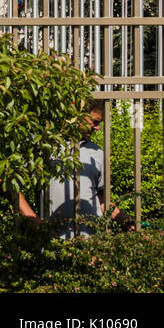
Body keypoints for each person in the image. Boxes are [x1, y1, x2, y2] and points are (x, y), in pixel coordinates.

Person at [15, 98, 132, 238]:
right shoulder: (43, 146)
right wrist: (31, 218)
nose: (98, 128)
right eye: (95, 122)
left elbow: (101, 200)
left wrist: (121, 217)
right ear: (78, 115)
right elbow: (8, 180)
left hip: (92, 242)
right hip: (53, 240)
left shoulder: (97, 153)